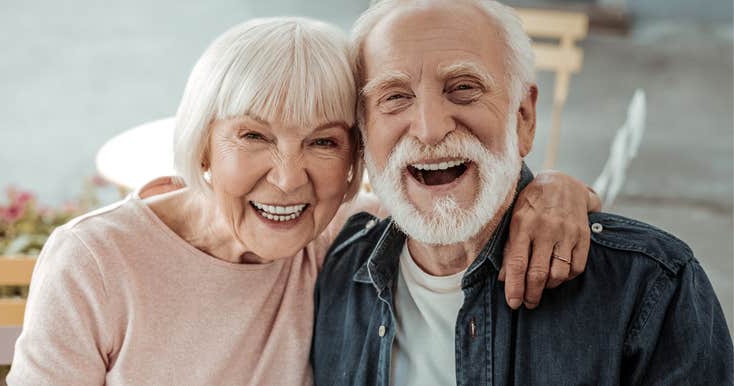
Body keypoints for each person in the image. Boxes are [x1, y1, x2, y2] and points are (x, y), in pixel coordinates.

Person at [7, 16, 599, 386]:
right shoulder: (94, 261)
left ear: (354, 162)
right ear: (203, 144)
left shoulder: (342, 238)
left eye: (322, 141)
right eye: (254, 136)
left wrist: (552, 188)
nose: (289, 181)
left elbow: (457, 195)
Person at [311, 1, 734, 385]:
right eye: (396, 96)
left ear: (524, 118)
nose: (429, 128)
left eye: (463, 88)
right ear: (364, 135)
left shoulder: (649, 287)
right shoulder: (332, 273)